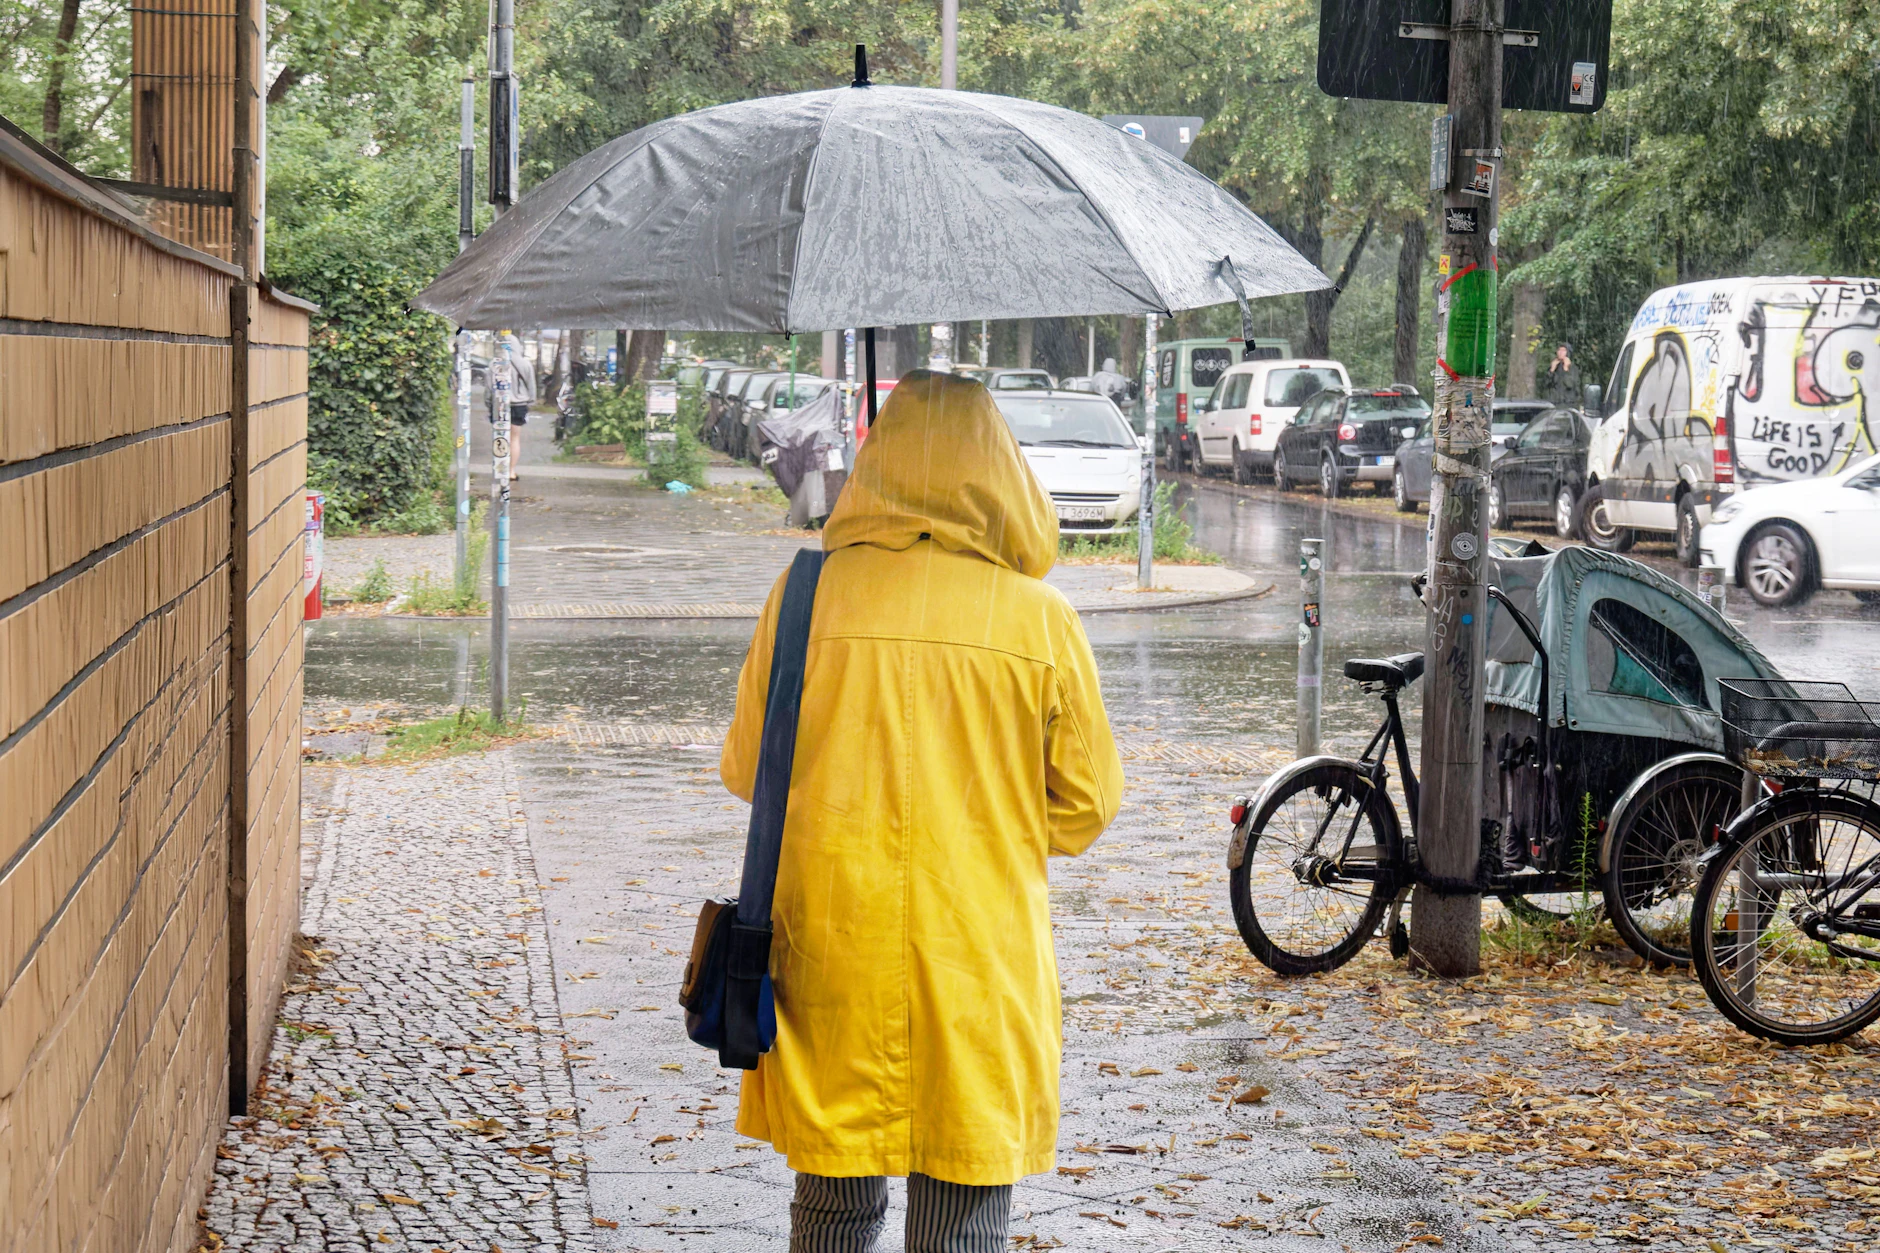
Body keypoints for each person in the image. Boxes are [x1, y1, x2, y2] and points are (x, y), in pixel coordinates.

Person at [721, 370, 1123, 1252]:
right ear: (1000, 471)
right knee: (963, 1211)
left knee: (831, 1203)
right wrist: (993, 818)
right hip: (975, 953)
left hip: (831, 950)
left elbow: (753, 772)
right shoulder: (1040, 620)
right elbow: (1087, 807)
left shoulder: (803, 598)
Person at [488, 331, 536, 480]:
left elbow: (489, 388)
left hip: (499, 405)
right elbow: (531, 386)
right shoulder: (525, 363)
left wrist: (488, 403)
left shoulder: (494, 363)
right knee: (515, 438)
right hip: (519, 405)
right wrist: (531, 401)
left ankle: (499, 469)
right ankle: (511, 471)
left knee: (500, 437)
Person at [1544, 342, 1582, 408]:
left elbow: (1570, 384)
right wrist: (1552, 370)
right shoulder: (1554, 366)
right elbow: (1546, 384)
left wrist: (1566, 369)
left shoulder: (1573, 368)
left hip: (1568, 404)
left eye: (1563, 350)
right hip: (1554, 403)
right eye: (1559, 350)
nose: (1560, 352)